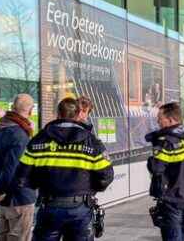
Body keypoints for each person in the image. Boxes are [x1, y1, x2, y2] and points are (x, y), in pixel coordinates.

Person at [17, 97, 114, 240]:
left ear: (58, 114)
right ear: (77, 115)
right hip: (80, 209)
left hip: (49, 207)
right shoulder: (91, 141)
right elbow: (106, 176)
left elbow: (22, 175)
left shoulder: (39, 139)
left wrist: (41, 184)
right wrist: (89, 189)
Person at [145, 102, 184, 241]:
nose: (158, 122)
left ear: (170, 119)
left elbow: (156, 168)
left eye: (160, 119)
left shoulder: (166, 140)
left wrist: (151, 159)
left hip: (173, 196)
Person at [0, 94, 36, 241]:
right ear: (30, 111)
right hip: (20, 198)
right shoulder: (21, 134)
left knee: (3, 237)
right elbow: (11, 170)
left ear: (12, 108)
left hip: (3, 199)